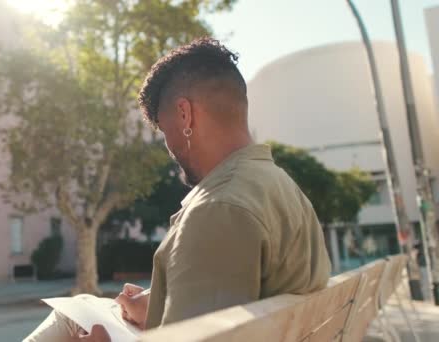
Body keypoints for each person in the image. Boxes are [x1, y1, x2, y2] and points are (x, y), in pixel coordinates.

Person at [23, 37, 331, 342]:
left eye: (162, 127)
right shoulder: (285, 190)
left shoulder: (217, 209)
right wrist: (156, 306)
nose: (167, 145)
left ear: (185, 115)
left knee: (67, 322)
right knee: (71, 316)